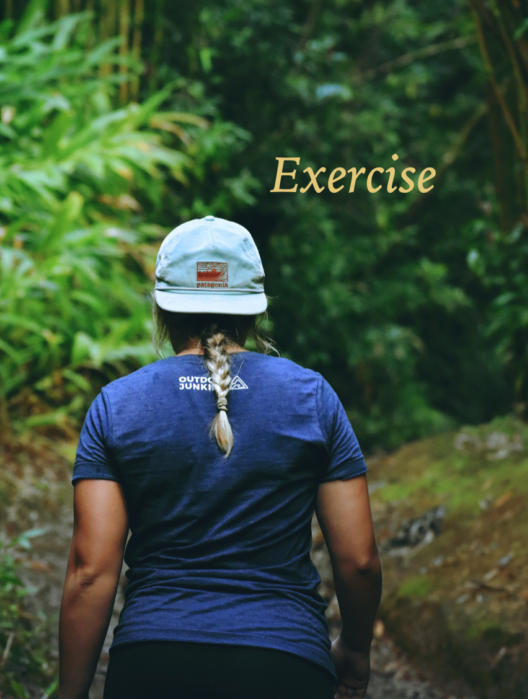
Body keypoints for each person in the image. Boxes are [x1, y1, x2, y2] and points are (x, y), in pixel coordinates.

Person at [57, 216, 383, 699]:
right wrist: (354, 651)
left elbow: (90, 572)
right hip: (286, 662)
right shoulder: (311, 397)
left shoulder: (118, 404)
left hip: (151, 661)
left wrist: (71, 692)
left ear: (163, 312)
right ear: (253, 313)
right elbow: (358, 561)